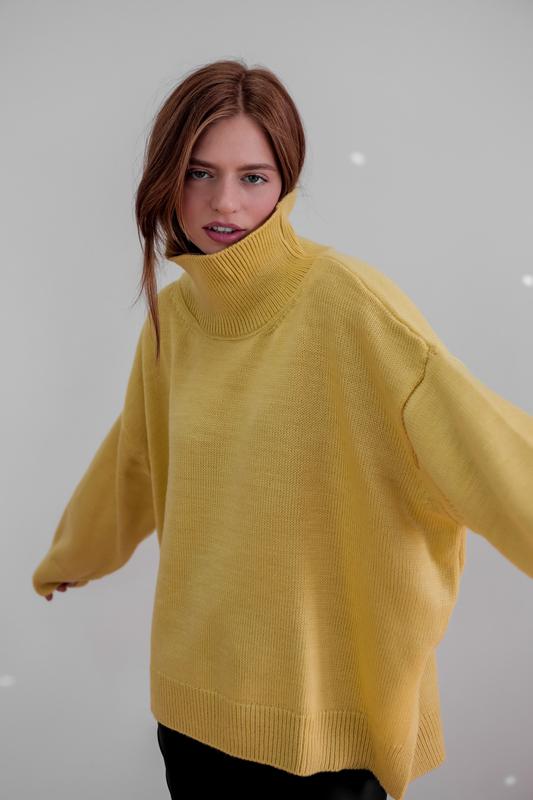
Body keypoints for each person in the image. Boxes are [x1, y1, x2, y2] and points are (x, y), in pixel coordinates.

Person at [32, 58, 533, 800]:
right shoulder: (176, 318)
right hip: (193, 707)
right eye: (199, 173)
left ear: (285, 182)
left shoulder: (347, 302)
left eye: (253, 177)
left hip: (323, 726)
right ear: (166, 177)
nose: (223, 202)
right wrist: (76, 553)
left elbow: (484, 444)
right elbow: (136, 456)